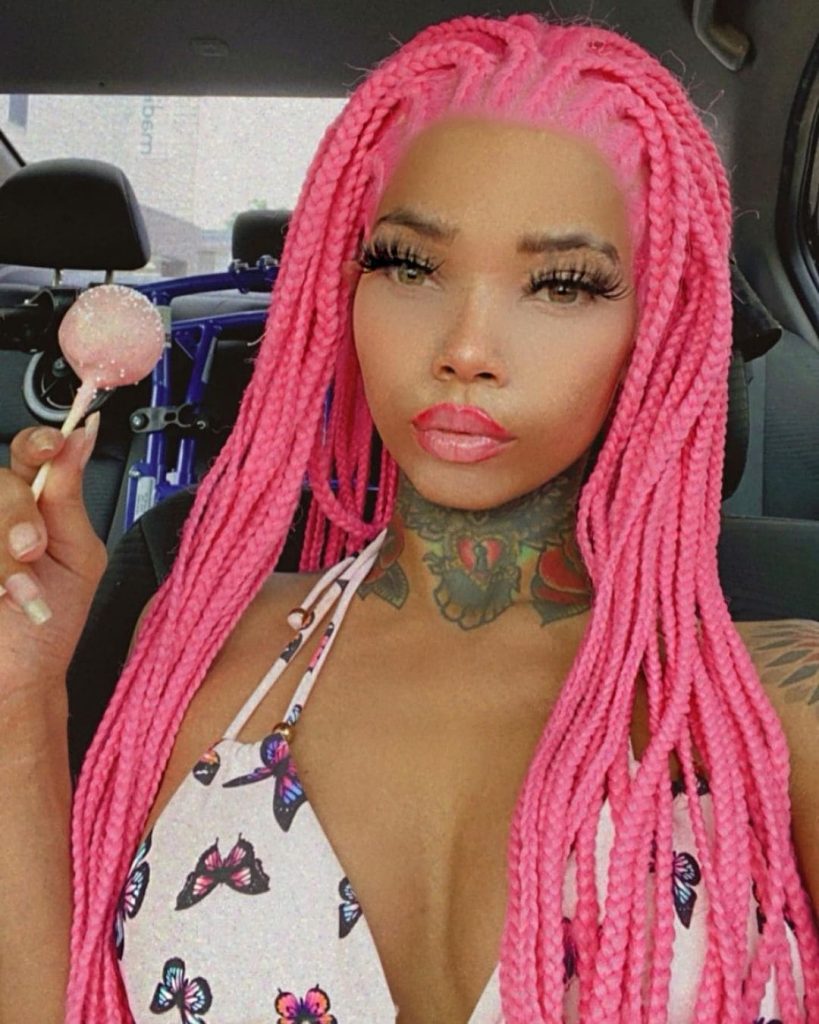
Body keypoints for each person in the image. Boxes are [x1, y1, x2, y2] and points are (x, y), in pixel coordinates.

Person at [1, 12, 817, 1024]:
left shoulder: (777, 703)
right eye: (409, 265)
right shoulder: (198, 647)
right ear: (338, 293)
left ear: (657, 328)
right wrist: (19, 702)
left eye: (562, 283)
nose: (466, 346)